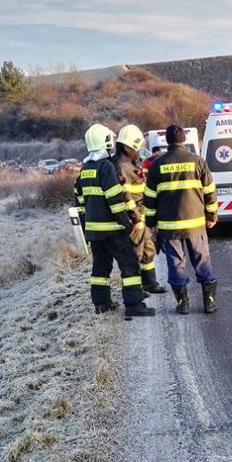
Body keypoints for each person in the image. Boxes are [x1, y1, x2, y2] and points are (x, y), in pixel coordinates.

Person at [74, 124, 155, 319]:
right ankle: (134, 305)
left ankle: (101, 304)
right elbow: (115, 199)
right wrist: (127, 222)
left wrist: (86, 228)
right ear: (106, 141)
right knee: (129, 264)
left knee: (100, 268)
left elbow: (79, 200)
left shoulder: (85, 169)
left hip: (94, 231)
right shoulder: (106, 167)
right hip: (112, 229)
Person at [143, 125, 219, 314]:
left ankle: (183, 304)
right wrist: (211, 216)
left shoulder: (157, 165)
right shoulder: (198, 161)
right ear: (183, 140)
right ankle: (209, 302)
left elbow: (149, 199)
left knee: (176, 263)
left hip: (170, 228)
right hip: (195, 225)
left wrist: (150, 224)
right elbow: (210, 192)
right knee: (202, 261)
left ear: (167, 141)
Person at [114, 124, 167, 294]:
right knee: (134, 254)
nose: (138, 151)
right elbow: (125, 196)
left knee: (148, 250)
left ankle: (149, 283)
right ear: (127, 147)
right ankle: (135, 289)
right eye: (136, 148)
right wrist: (136, 219)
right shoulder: (121, 166)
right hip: (133, 218)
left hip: (142, 215)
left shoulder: (132, 164)